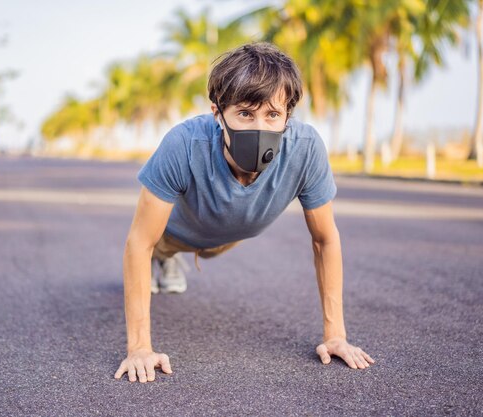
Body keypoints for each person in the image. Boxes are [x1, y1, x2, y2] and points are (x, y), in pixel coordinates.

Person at [114, 42, 375, 384]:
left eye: (272, 115)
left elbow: (325, 239)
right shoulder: (183, 145)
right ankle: (168, 261)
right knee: (158, 249)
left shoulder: (306, 149)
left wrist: (335, 334)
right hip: (174, 233)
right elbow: (139, 242)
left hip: (232, 234)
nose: (260, 128)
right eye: (245, 114)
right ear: (217, 113)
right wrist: (139, 349)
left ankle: (173, 261)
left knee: (215, 242)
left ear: (287, 117)